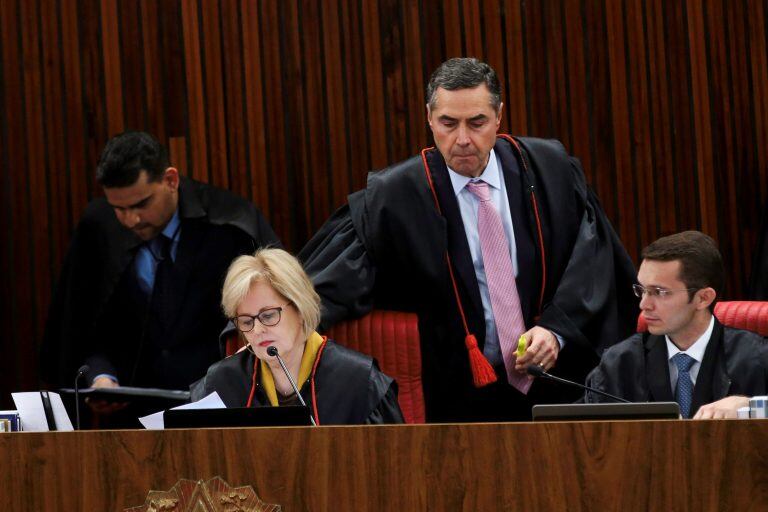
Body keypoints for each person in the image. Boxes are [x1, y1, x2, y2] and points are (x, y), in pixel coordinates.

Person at [300, 57, 638, 422]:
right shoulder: (393, 198)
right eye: (448, 123)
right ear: (429, 118)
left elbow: (591, 263)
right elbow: (327, 283)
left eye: (476, 122)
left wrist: (558, 330)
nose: (462, 139)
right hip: (451, 398)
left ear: (498, 117)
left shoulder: (549, 170)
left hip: (555, 385)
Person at [41, 131, 280, 392]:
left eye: (142, 204)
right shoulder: (100, 227)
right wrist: (100, 375)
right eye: (120, 209)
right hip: (133, 407)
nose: (131, 220)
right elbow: (82, 324)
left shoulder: (230, 225)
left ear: (170, 180)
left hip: (218, 399)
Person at [190, 248, 404, 425]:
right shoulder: (221, 384)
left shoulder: (360, 383)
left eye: (268, 315)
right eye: (246, 321)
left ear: (300, 309)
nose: (257, 331)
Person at [584, 231, 768, 419]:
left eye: (660, 292)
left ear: (703, 298)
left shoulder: (757, 358)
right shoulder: (619, 363)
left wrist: (751, 405)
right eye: (642, 290)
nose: (644, 305)